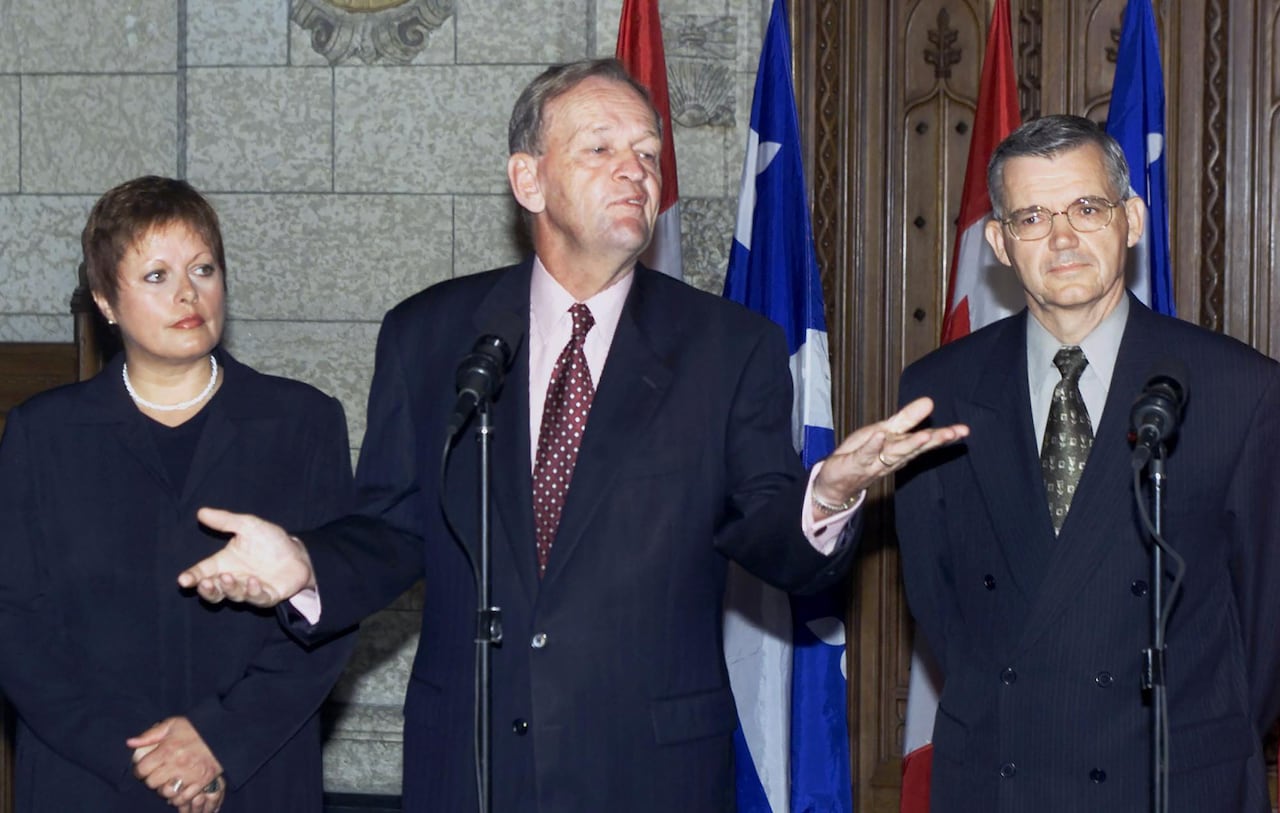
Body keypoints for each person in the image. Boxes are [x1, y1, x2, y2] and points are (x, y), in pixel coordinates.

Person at [177, 59, 966, 813]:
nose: (637, 170)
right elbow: (392, 527)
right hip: (472, 761)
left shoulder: (729, 347)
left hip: (649, 770)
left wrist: (825, 493)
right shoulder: (430, 335)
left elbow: (768, 529)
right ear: (529, 178)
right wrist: (304, 564)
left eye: (649, 153)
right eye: (601, 149)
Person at [894, 114, 1280, 812]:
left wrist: (1185, 741)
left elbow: (1265, 624)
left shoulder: (1238, 389)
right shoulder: (938, 390)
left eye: (1086, 207)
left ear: (1130, 220)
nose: (1063, 237)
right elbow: (937, 600)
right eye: (1033, 216)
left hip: (1173, 783)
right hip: (999, 778)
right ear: (1000, 243)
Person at [0, 176, 357, 812]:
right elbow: (18, 624)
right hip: (88, 776)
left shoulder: (301, 421)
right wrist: (141, 762)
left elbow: (325, 611)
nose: (188, 292)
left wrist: (218, 741)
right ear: (106, 301)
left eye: (203, 268)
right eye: (157, 275)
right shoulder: (43, 434)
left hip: (252, 771)